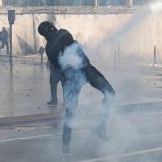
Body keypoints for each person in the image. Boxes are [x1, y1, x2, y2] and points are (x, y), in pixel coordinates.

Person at [37, 21, 115, 154]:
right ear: (51, 27)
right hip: (86, 70)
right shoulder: (63, 32)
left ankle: (65, 149)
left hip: (71, 78)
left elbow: (58, 69)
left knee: (70, 113)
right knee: (110, 93)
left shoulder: (49, 49)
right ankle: (100, 125)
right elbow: (76, 48)